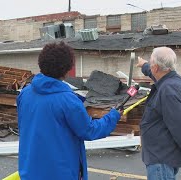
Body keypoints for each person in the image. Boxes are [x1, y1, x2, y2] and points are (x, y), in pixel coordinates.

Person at [17, 42, 121, 180]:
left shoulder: (25, 94)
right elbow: (89, 130)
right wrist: (113, 116)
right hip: (60, 174)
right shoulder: (68, 101)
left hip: (30, 171)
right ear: (66, 70)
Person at [136, 47, 181, 180]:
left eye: (150, 64)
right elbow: (152, 72)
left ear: (156, 68)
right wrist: (144, 65)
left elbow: (179, 124)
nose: (150, 67)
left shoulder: (168, 90)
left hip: (161, 158)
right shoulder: (170, 79)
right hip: (162, 154)